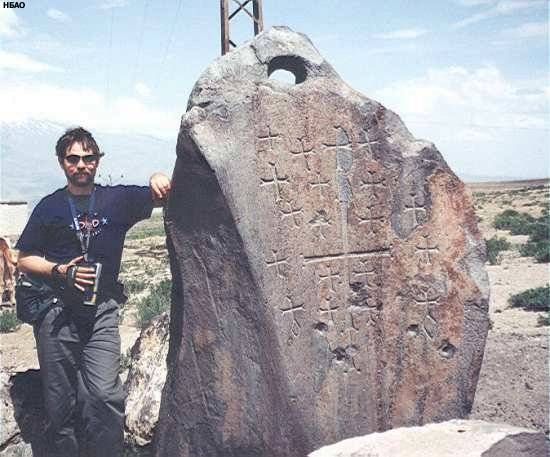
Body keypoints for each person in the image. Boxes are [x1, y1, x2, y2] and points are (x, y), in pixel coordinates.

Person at [16, 126, 171, 457]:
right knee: (60, 403)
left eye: (89, 158)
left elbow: (160, 193)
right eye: (73, 159)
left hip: (101, 311)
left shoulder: (117, 200)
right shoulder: (50, 206)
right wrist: (60, 270)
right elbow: (23, 258)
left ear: (98, 161)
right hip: (56, 313)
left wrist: (159, 175)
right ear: (62, 163)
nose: (81, 165)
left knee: (103, 395)